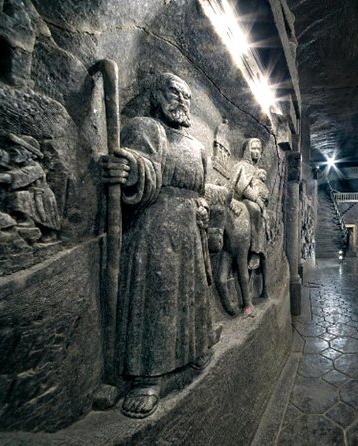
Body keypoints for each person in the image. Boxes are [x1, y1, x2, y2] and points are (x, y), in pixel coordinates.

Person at [102, 73, 218, 418]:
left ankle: (196, 349)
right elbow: (143, 166)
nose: (181, 100)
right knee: (158, 296)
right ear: (157, 95)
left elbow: (201, 190)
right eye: (173, 91)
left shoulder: (197, 147)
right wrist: (130, 169)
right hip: (155, 228)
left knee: (194, 293)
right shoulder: (146, 128)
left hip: (189, 229)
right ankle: (147, 377)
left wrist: (202, 206)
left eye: (186, 95)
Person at [230, 138, 270, 311]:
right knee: (254, 209)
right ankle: (254, 250)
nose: (257, 151)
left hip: (257, 203)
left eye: (259, 149)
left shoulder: (258, 170)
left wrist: (263, 201)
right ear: (247, 149)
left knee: (258, 210)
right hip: (244, 200)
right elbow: (240, 186)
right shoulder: (241, 166)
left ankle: (257, 249)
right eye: (254, 148)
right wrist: (257, 200)